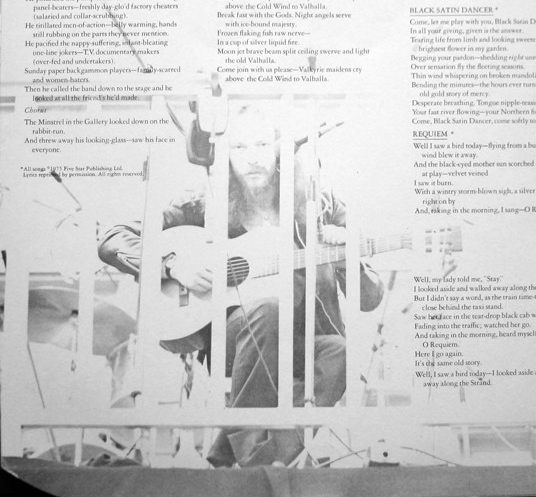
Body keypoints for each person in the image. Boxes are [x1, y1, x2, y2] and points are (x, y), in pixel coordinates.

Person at [98, 103, 384, 467]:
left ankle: (246, 460)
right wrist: (174, 265)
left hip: (303, 342)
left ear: (280, 148)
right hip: (236, 341)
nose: (252, 158)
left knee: (342, 352)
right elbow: (114, 237)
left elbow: (370, 298)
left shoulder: (320, 205)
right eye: (240, 147)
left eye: (262, 144)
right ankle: (247, 459)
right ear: (226, 154)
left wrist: (346, 261)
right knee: (269, 308)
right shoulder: (203, 203)